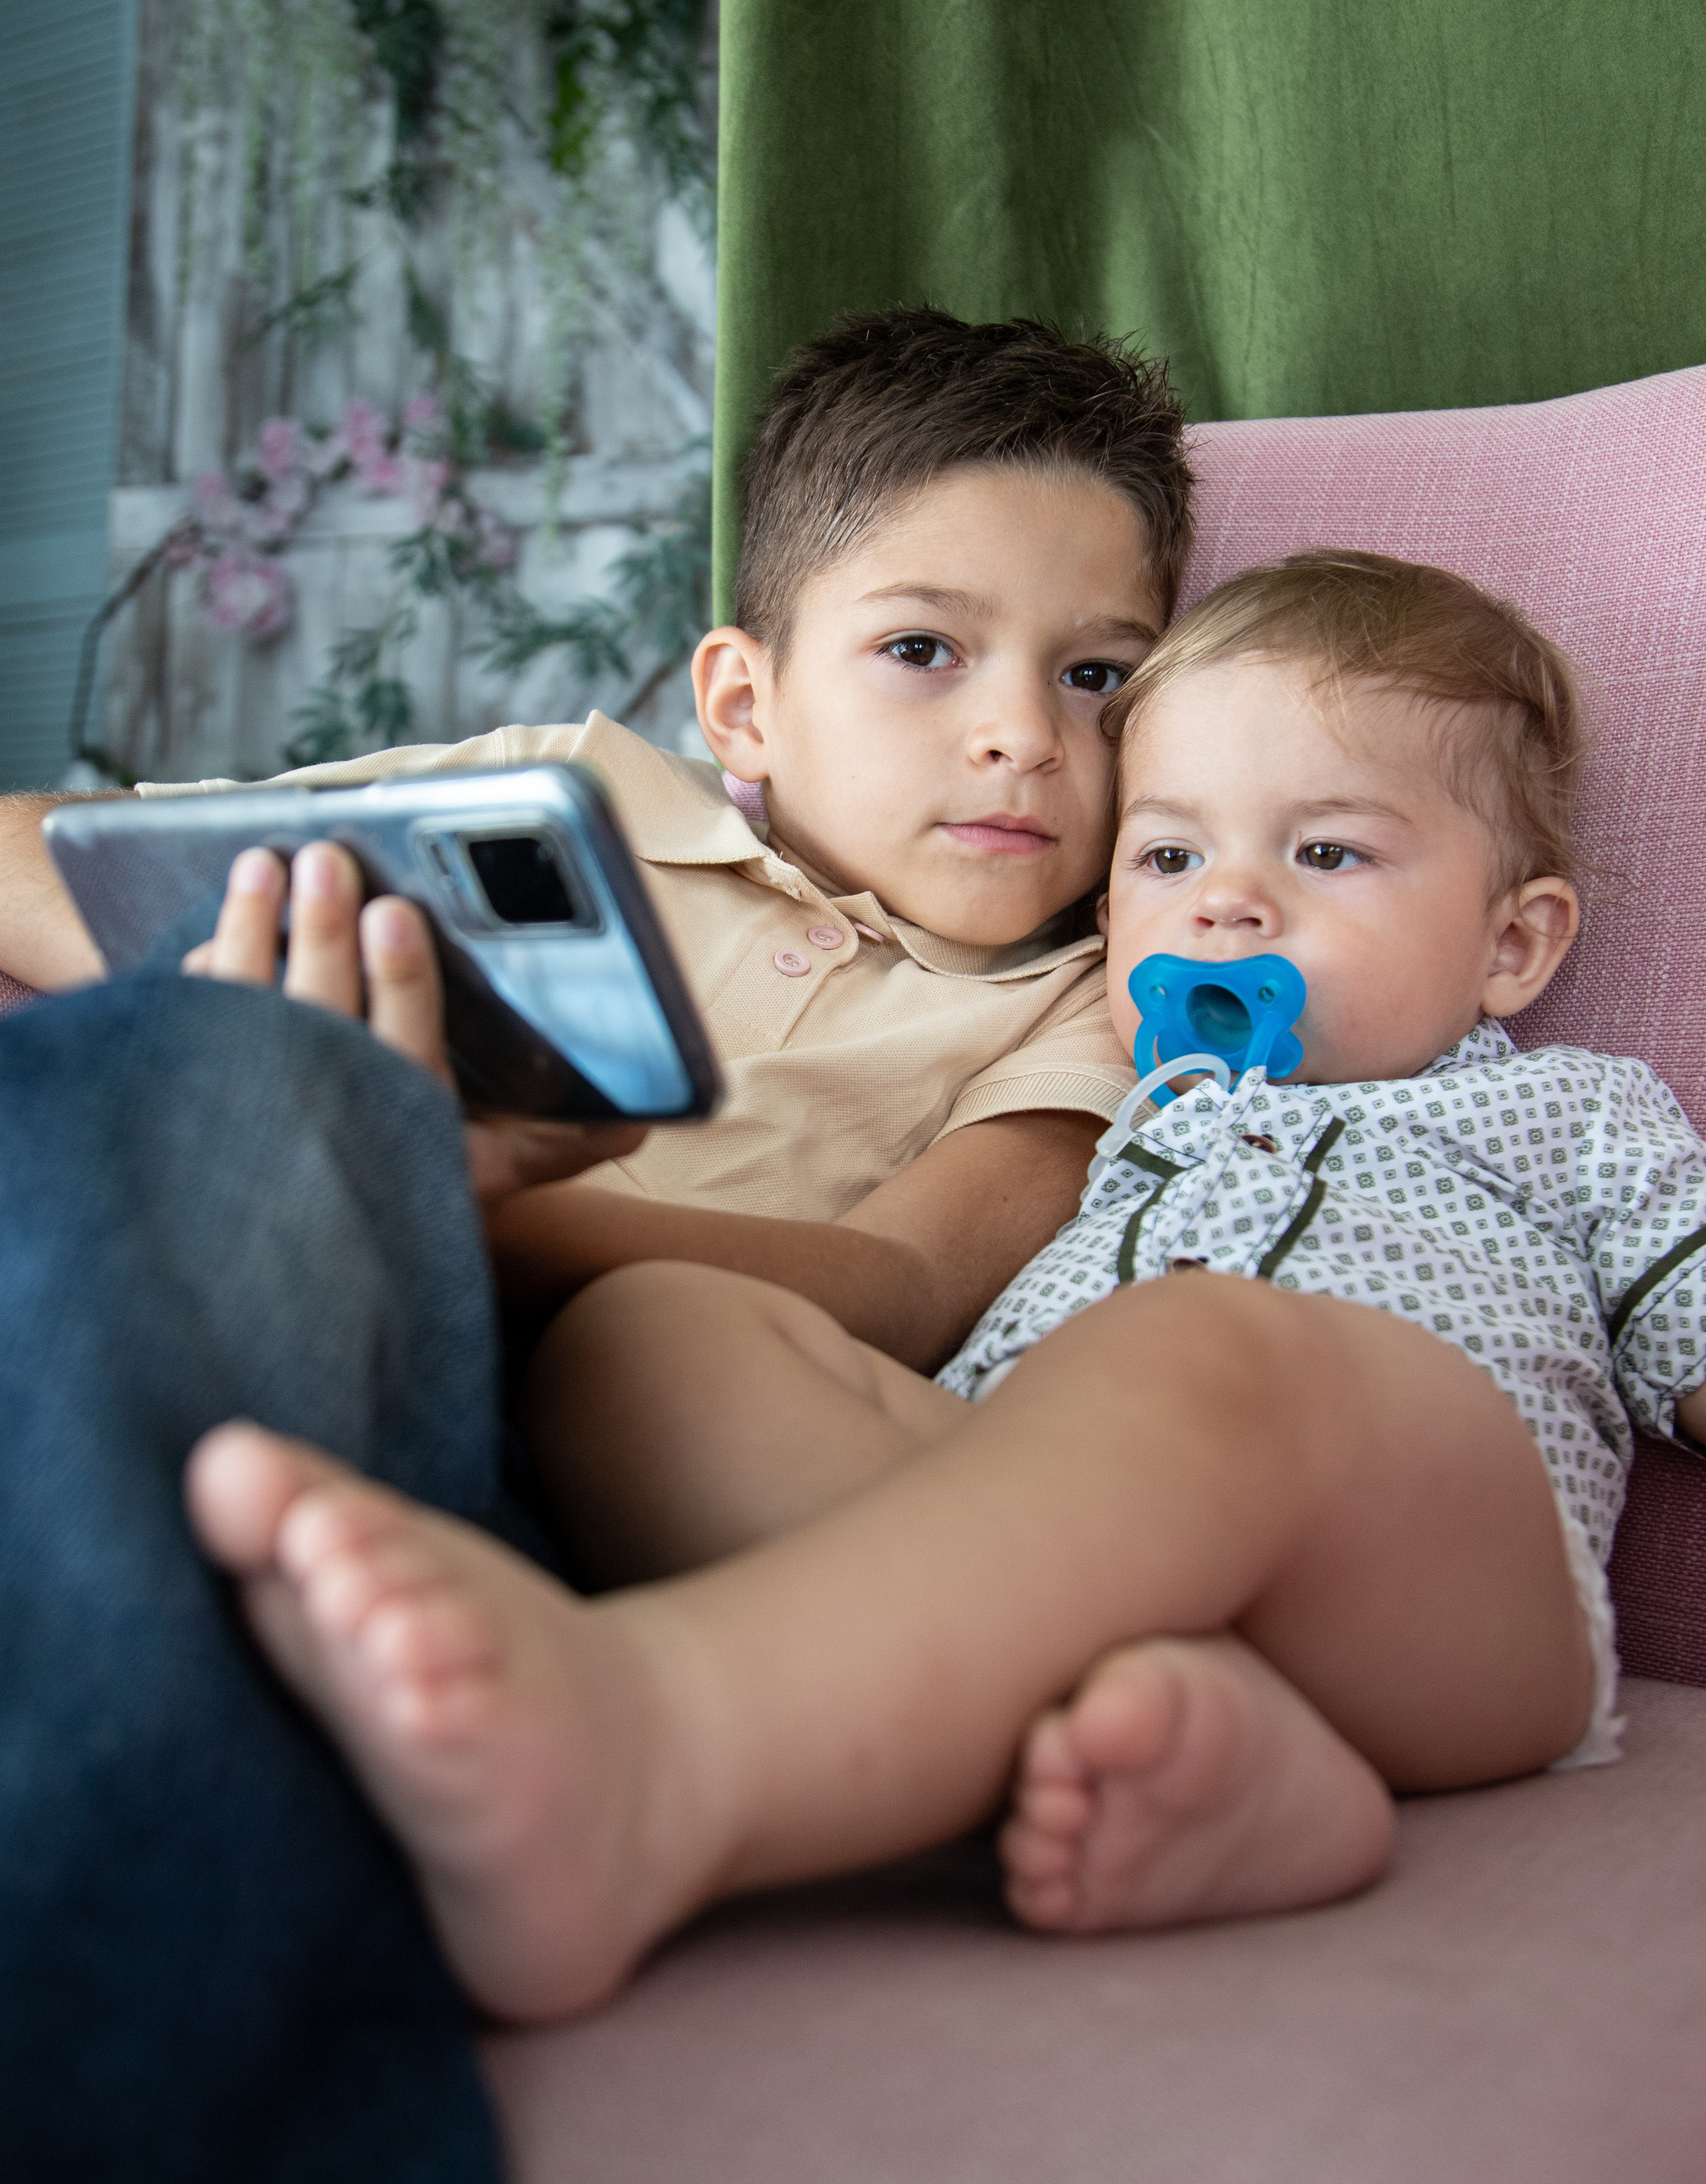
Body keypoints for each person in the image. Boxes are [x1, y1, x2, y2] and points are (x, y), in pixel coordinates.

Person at [179, 550, 1706, 2033]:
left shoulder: (1572, 1113)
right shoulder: (1097, 1100)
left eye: (1325, 854)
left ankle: (665, 1746)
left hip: (1446, 1588)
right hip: (1081, 1542)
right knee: (649, 1332)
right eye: (1168, 857)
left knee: (1209, 1343)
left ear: (1513, 942)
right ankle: (1203, 1749)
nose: (1226, 906)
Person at [0, 309, 1193, 1380]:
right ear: (745, 707)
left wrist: (463, 1207)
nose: (1025, 737)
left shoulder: (1089, 998)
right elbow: (38, 855)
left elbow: (904, 1289)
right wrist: (264, 1002)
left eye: (1097, 676)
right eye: (923, 649)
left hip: (504, 1391)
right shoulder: (564, 791)